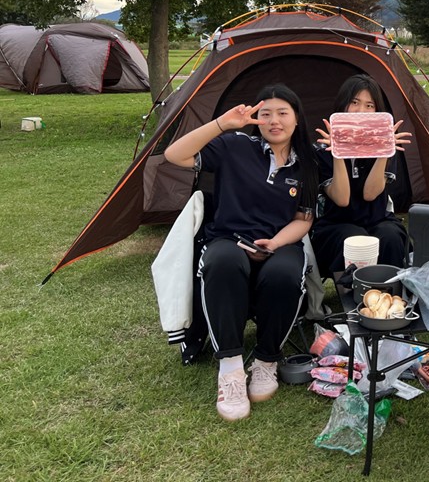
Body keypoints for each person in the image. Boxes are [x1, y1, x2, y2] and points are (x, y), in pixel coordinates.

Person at [163, 84, 319, 422]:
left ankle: (266, 360)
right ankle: (231, 369)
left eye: (283, 113)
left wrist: (275, 243)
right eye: (266, 114)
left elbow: (303, 219)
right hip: (228, 238)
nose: (274, 121)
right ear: (256, 119)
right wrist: (222, 123)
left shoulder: (306, 162)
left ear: (296, 119)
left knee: (285, 273)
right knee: (221, 261)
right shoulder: (235, 145)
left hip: (279, 242)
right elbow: (175, 155)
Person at [310, 74, 412, 275]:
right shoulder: (322, 150)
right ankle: (353, 292)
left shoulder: (386, 147)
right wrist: (338, 152)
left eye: (369, 105)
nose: (360, 111)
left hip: (378, 219)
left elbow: (370, 194)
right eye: (354, 102)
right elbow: (341, 199)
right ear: (342, 105)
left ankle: (390, 291)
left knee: (390, 236)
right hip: (336, 223)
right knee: (355, 238)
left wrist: (384, 151)